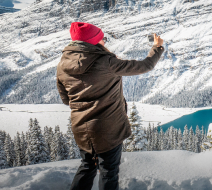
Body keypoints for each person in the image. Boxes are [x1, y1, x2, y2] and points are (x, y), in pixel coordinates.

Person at [56, 22, 164, 190]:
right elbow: (145, 66)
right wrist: (157, 47)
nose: (104, 42)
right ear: (93, 41)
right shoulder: (106, 61)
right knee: (108, 171)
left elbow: (66, 99)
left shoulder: (63, 65)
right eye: (102, 39)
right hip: (107, 129)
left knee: (87, 167)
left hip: (81, 129)